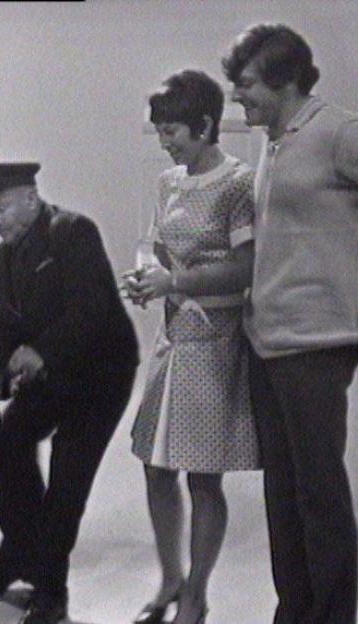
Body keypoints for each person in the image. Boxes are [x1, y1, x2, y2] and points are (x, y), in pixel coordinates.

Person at [223, 24, 358, 624]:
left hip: (317, 343)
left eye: (246, 84)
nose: (238, 96)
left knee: (319, 495)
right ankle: (295, 612)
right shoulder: (273, 141)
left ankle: (332, 615)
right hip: (267, 341)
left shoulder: (338, 131)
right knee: (282, 497)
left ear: (285, 80)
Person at [0, 162, 139, 624]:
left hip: (102, 375)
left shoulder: (72, 232)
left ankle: (51, 589)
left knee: (68, 474)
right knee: (8, 444)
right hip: (54, 375)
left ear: (30, 196)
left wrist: (39, 351)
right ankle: (18, 553)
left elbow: (92, 311)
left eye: (1, 208)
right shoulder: (3, 258)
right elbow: (4, 325)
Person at [122, 70, 260, 624]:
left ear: (205, 125)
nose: (165, 141)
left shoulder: (238, 184)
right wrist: (147, 279)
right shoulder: (168, 183)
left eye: (172, 130)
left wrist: (175, 283)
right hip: (175, 339)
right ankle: (171, 579)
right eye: (159, 131)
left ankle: (197, 594)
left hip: (218, 341)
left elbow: (246, 268)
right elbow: (161, 252)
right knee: (156, 468)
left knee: (204, 475)